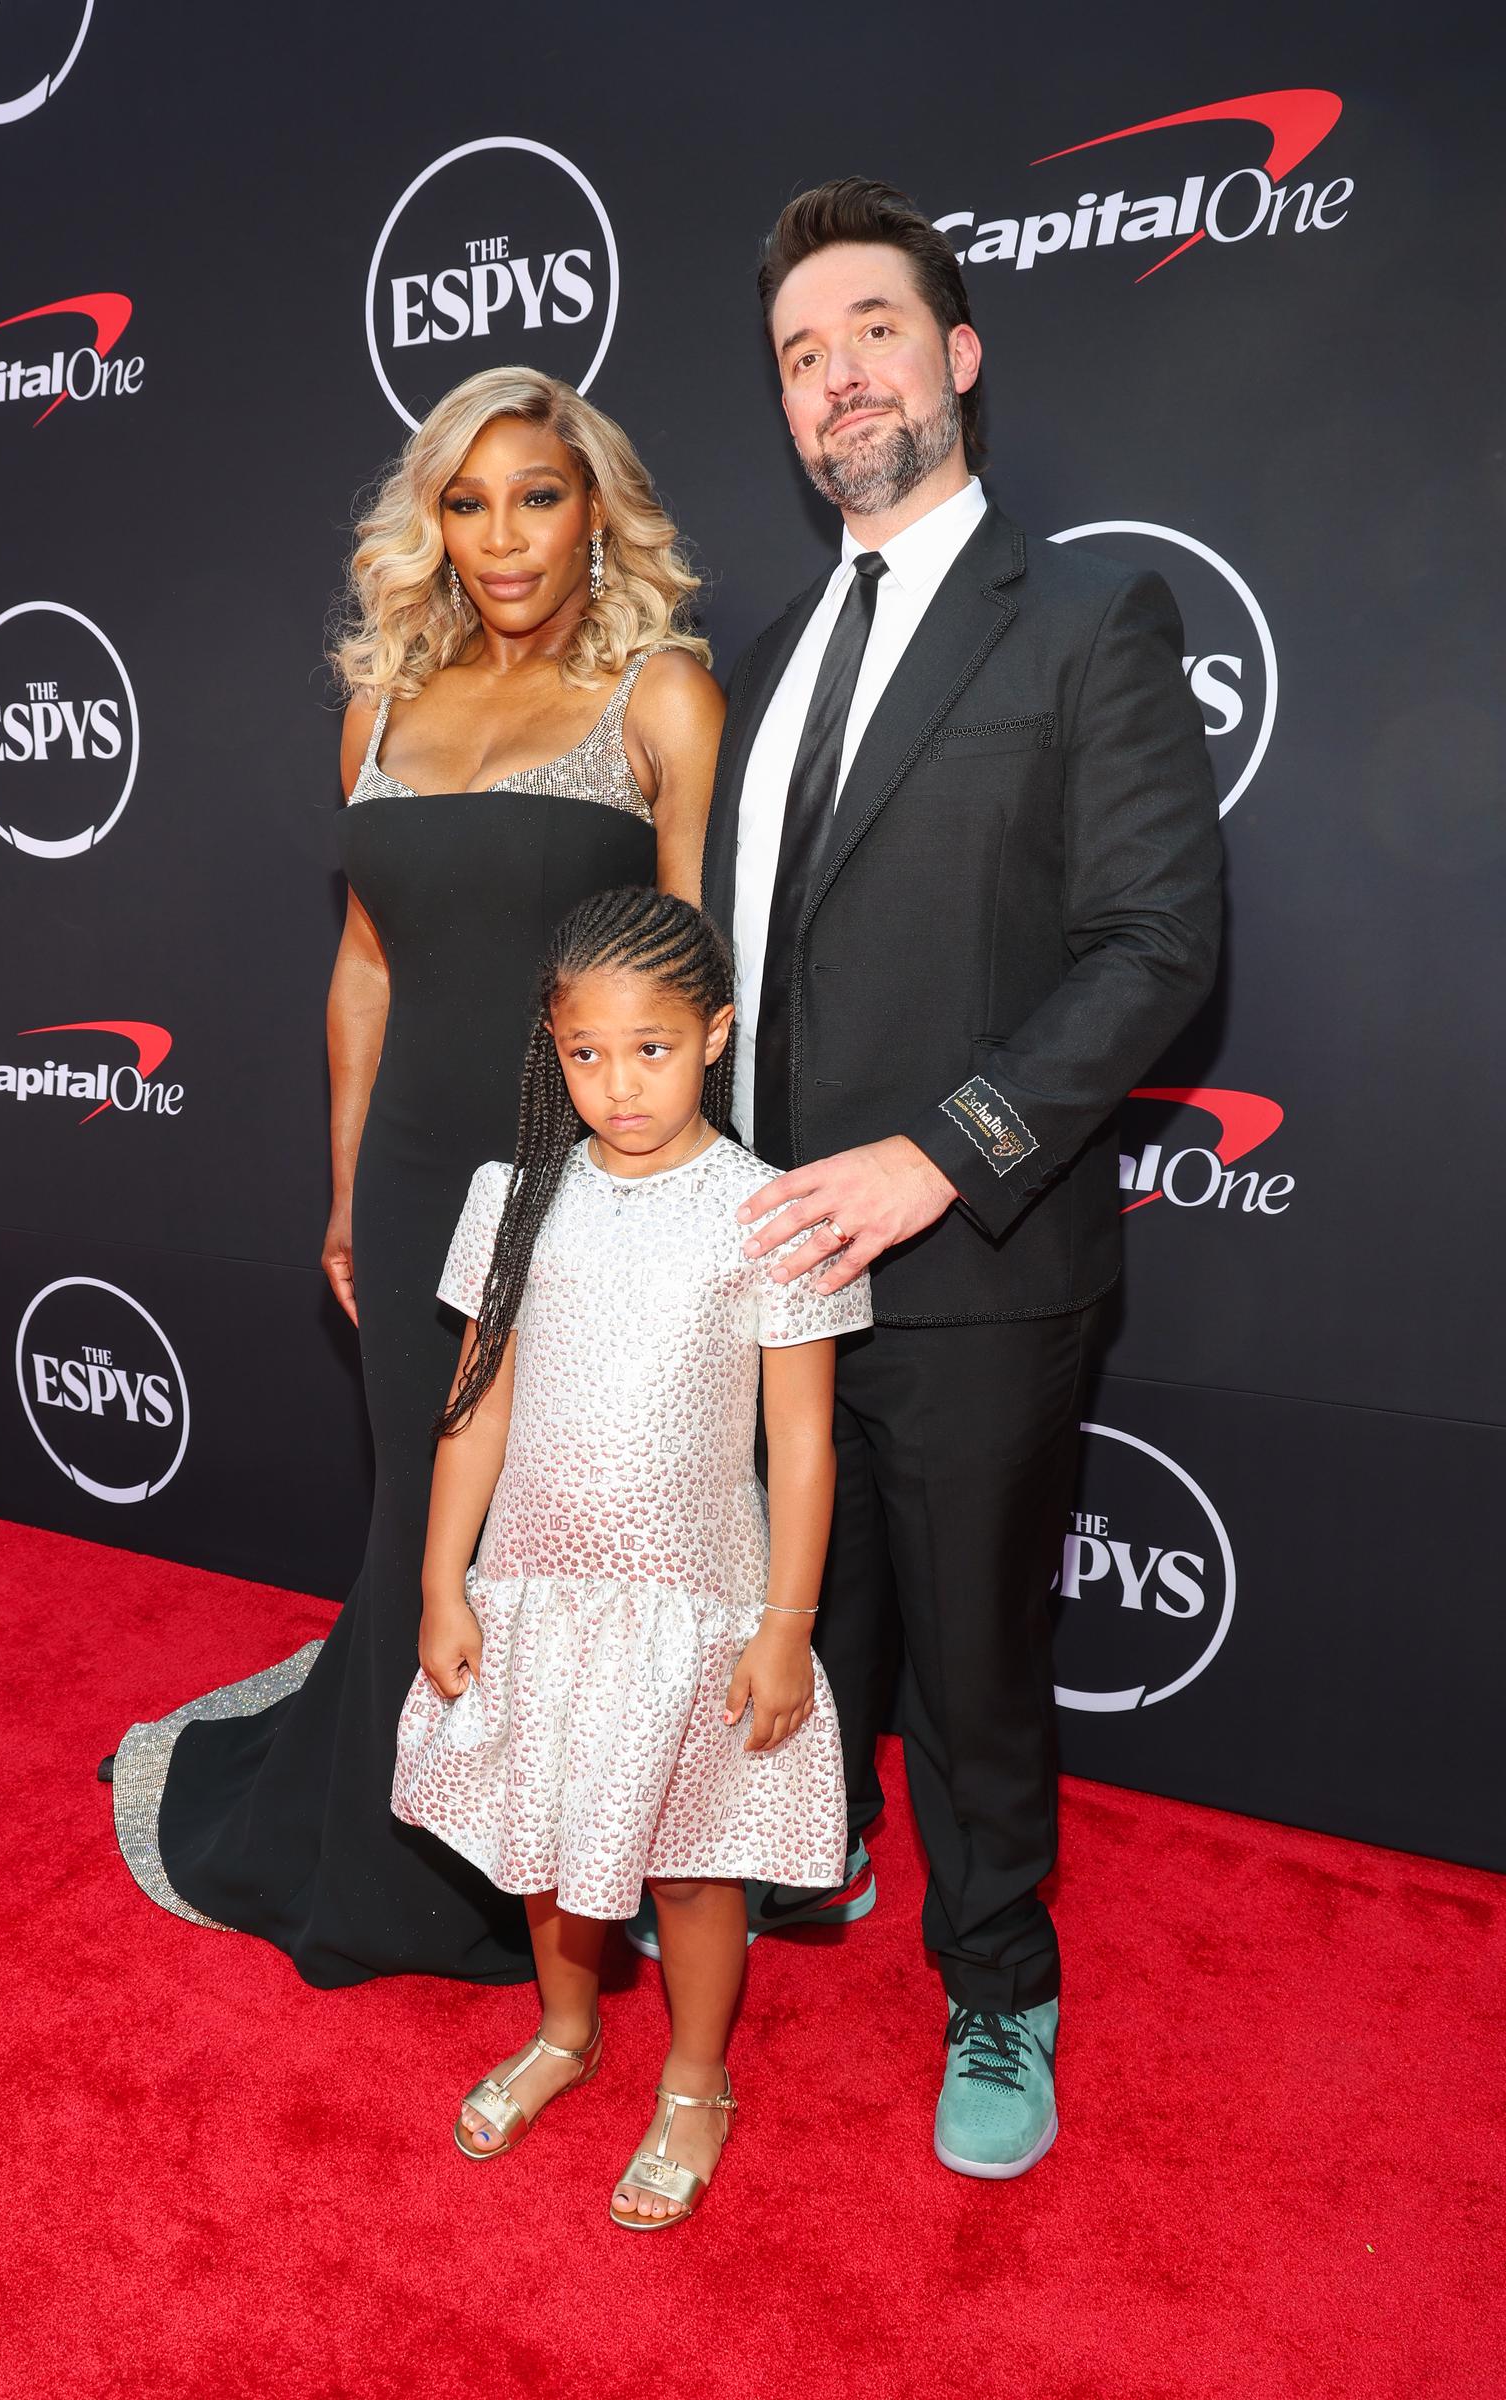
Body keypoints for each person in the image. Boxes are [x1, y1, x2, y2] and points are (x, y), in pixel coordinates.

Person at [697, 180, 1222, 2177]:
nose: (837, 380)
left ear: (958, 357)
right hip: (769, 1259)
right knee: (806, 1607)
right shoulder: (757, 658)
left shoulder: (1084, 615)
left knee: (984, 1661)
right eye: (799, 357)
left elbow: (1157, 947)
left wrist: (943, 1155)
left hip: (976, 1257)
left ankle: (1000, 1986)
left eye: (870, 333)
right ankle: (811, 1847)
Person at [107, 369, 724, 1989]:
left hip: (576, 1171)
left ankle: (566, 1852)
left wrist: (684, 1212)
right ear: (428, 524)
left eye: (538, 494)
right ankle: (403, 1841)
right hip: (408, 1171)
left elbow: (705, 975)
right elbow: (365, 970)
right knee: (427, 1514)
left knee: (556, 1523)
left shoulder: (659, 696)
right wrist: (340, 1189)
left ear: (597, 508)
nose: (503, 536)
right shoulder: (375, 707)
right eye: (467, 500)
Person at [391, 886, 870, 2225]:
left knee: (692, 1861)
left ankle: (698, 2081)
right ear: (551, 1045)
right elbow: (477, 1406)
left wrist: (784, 1626)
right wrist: (444, 1580)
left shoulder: (773, 1210)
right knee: (549, 1831)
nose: (618, 1085)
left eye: (651, 1048)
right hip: (539, 1588)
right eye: (585, 1053)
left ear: (715, 1035)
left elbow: (807, 1445)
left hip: (694, 1606)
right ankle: (564, 2030)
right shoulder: (512, 1197)